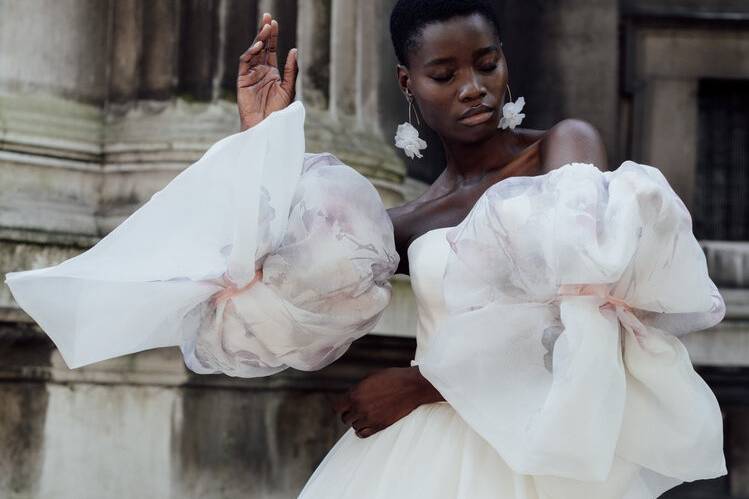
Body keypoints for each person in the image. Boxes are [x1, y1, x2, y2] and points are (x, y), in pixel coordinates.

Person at [5, 1, 726, 498]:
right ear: (408, 84)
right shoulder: (405, 221)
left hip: (535, 454)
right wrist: (265, 140)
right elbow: (264, 284)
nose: (473, 88)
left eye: (486, 63)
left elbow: (584, 325)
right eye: (445, 75)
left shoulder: (565, 150)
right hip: (419, 453)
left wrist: (417, 384)